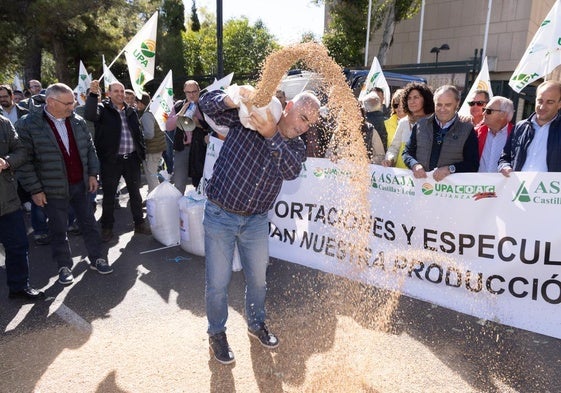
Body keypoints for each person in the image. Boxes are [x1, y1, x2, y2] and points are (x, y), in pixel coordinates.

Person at [199, 87, 320, 365]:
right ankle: (216, 332)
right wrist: (233, 98)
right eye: (301, 117)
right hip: (221, 214)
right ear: (287, 107)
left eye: (308, 124)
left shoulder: (295, 145)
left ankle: (256, 324)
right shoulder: (250, 116)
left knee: (258, 280)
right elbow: (207, 102)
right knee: (217, 283)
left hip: (256, 221)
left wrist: (271, 135)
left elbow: (290, 171)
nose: (302, 127)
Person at [16, 83, 112, 286]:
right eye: (68, 103)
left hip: (80, 185)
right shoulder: (29, 124)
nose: (72, 106)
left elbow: (90, 149)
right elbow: (24, 162)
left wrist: (93, 174)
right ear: (51, 102)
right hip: (52, 189)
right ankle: (64, 266)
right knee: (58, 229)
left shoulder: (77, 121)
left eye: (73, 102)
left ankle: (97, 258)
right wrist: (35, 189)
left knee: (89, 224)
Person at [84, 80, 151, 242]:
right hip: (111, 161)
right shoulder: (102, 109)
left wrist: (140, 153)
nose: (120, 94)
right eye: (116, 91)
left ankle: (139, 223)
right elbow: (90, 115)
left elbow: (138, 133)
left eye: (122, 91)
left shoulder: (131, 111)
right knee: (108, 196)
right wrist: (93, 95)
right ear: (108, 94)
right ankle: (107, 228)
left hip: (131, 160)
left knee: (135, 194)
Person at [0, 114, 44, 300]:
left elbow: (21, 151)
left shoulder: (3, 123)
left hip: (7, 200)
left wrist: (7, 161)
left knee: (18, 245)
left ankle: (19, 287)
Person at [403, 84, 479, 180]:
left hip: (447, 192)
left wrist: (450, 169)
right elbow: (407, 152)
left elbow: (473, 164)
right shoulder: (420, 125)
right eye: (439, 104)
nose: (442, 109)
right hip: (421, 187)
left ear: (457, 103)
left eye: (448, 105)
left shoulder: (467, 129)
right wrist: (414, 165)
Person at [498, 80, 561, 175]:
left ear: (559, 104)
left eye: (550, 102)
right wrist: (505, 167)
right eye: (540, 101)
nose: (542, 107)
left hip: (551, 189)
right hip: (519, 188)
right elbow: (505, 157)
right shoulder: (520, 127)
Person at [382, 82, 434, 168]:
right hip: (402, 177)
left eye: (416, 97)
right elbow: (394, 147)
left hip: (424, 177)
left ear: (425, 99)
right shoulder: (404, 122)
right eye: (409, 98)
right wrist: (389, 159)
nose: (412, 101)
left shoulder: (433, 122)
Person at [166, 80, 202, 194]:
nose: (191, 95)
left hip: (201, 148)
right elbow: (168, 126)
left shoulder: (204, 104)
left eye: (194, 91)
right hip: (183, 148)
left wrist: (199, 123)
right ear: (184, 92)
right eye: (188, 92)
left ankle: (200, 209)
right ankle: (178, 208)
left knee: (201, 182)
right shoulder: (179, 105)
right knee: (179, 183)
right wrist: (181, 112)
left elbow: (212, 125)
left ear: (199, 90)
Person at [136, 92, 166, 194]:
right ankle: (151, 196)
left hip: (152, 149)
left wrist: (139, 136)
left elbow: (149, 134)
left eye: (136, 102)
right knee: (152, 174)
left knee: (151, 175)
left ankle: (156, 197)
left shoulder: (146, 115)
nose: (135, 105)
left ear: (140, 103)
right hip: (157, 147)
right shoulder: (152, 112)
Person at [477, 96, 514, 173]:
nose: (483, 113)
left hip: (505, 184)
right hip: (478, 183)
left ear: (503, 115)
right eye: (484, 110)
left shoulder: (516, 135)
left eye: (489, 111)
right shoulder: (476, 132)